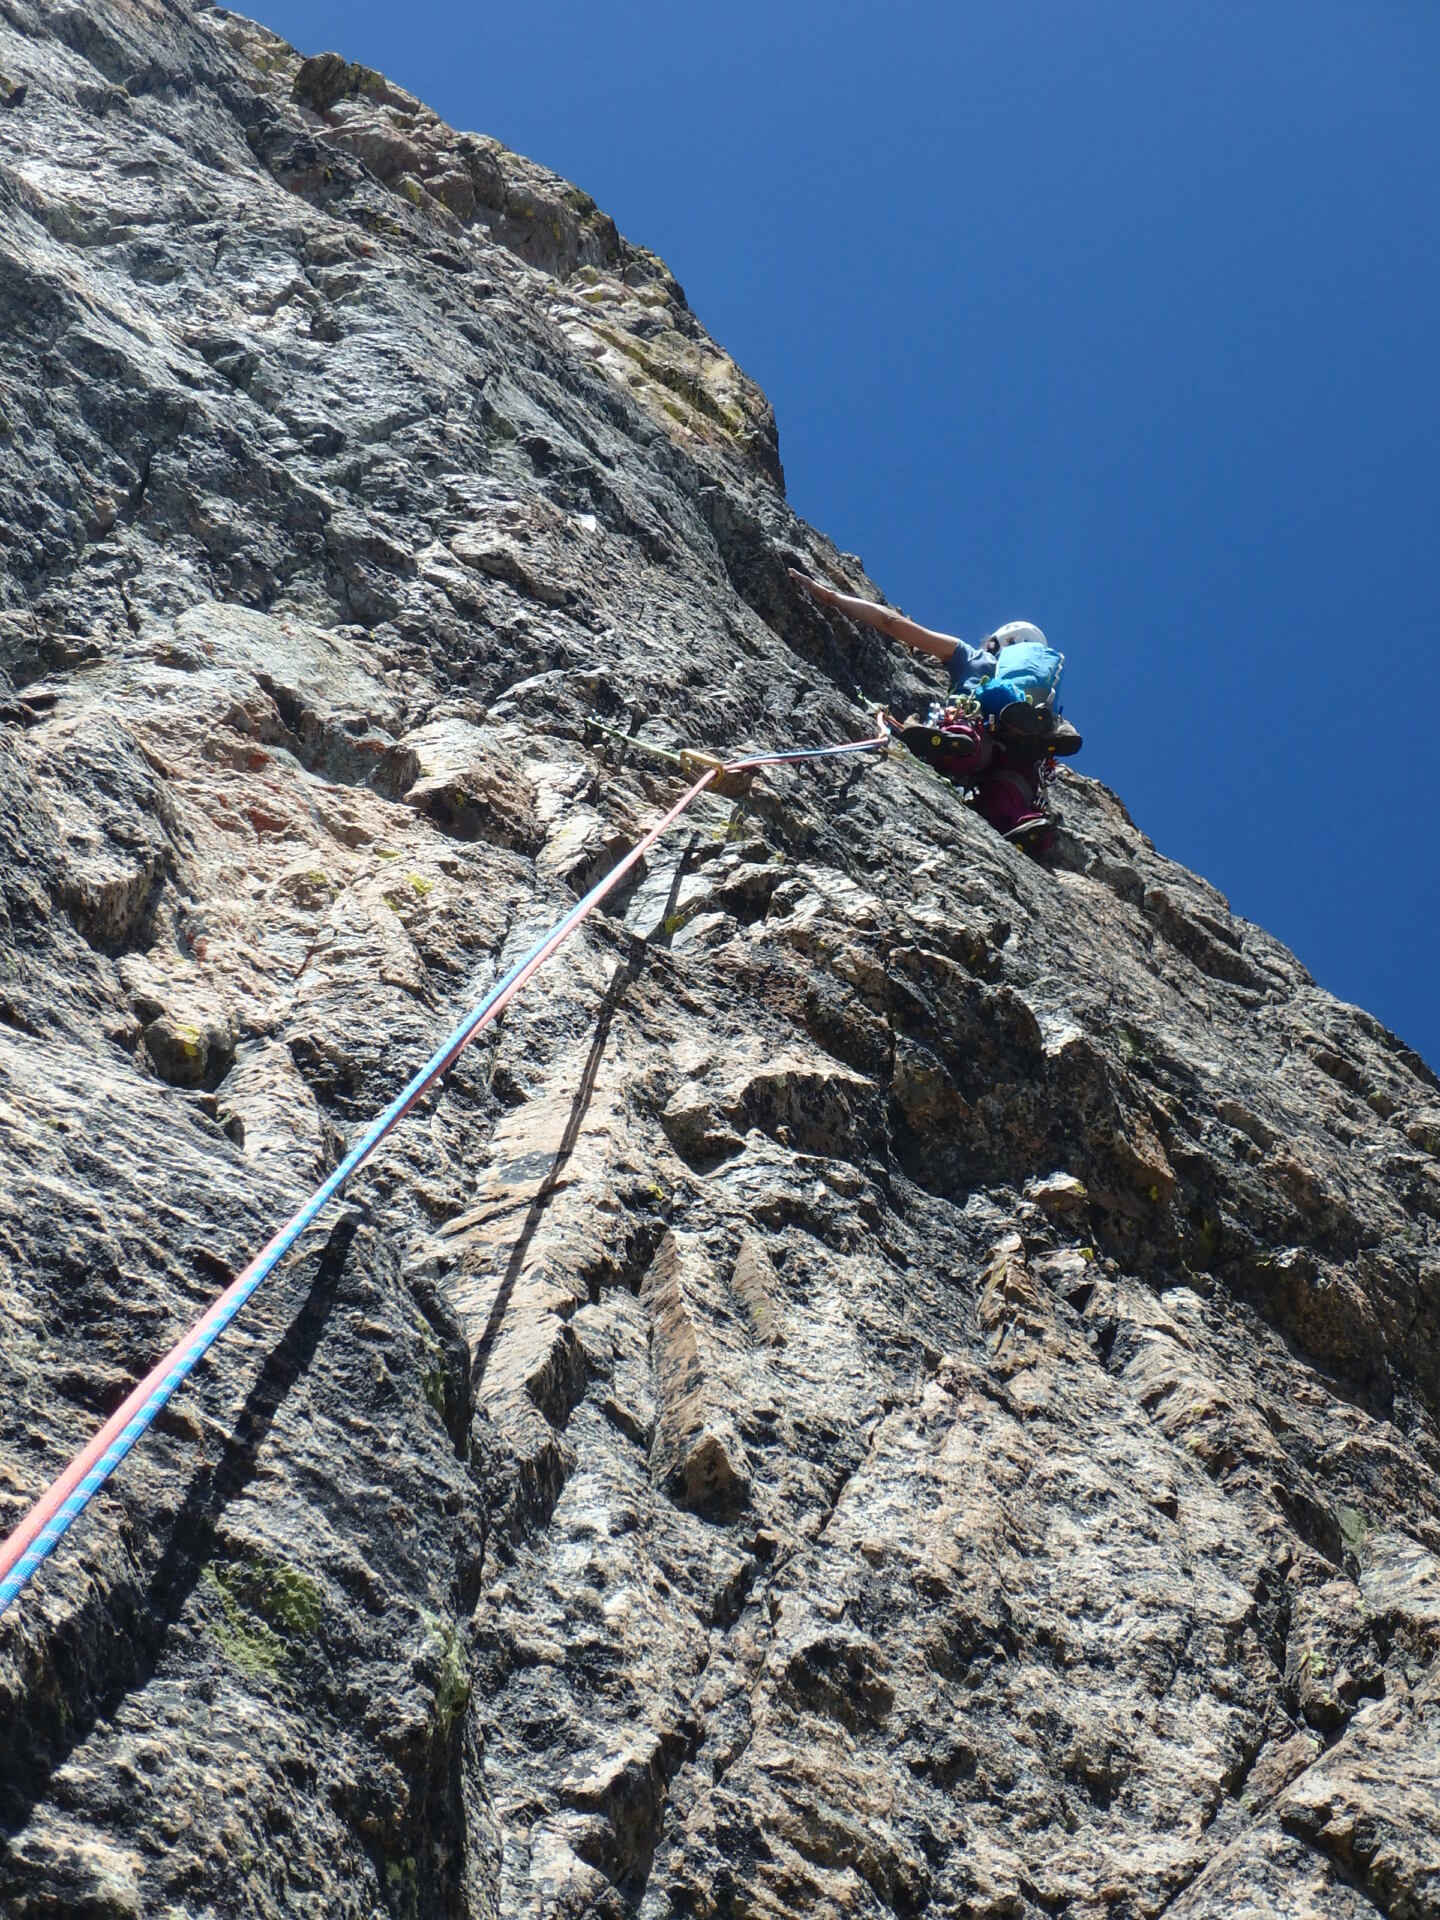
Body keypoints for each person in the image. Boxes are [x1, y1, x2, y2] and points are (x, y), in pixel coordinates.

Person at [788, 570, 1079, 852]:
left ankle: (957, 746)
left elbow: (892, 623)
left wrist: (832, 597)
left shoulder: (972, 656)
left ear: (996, 642)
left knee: (968, 736)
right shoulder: (1040, 683)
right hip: (1021, 755)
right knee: (1006, 793)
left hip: (979, 724)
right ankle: (1026, 824)